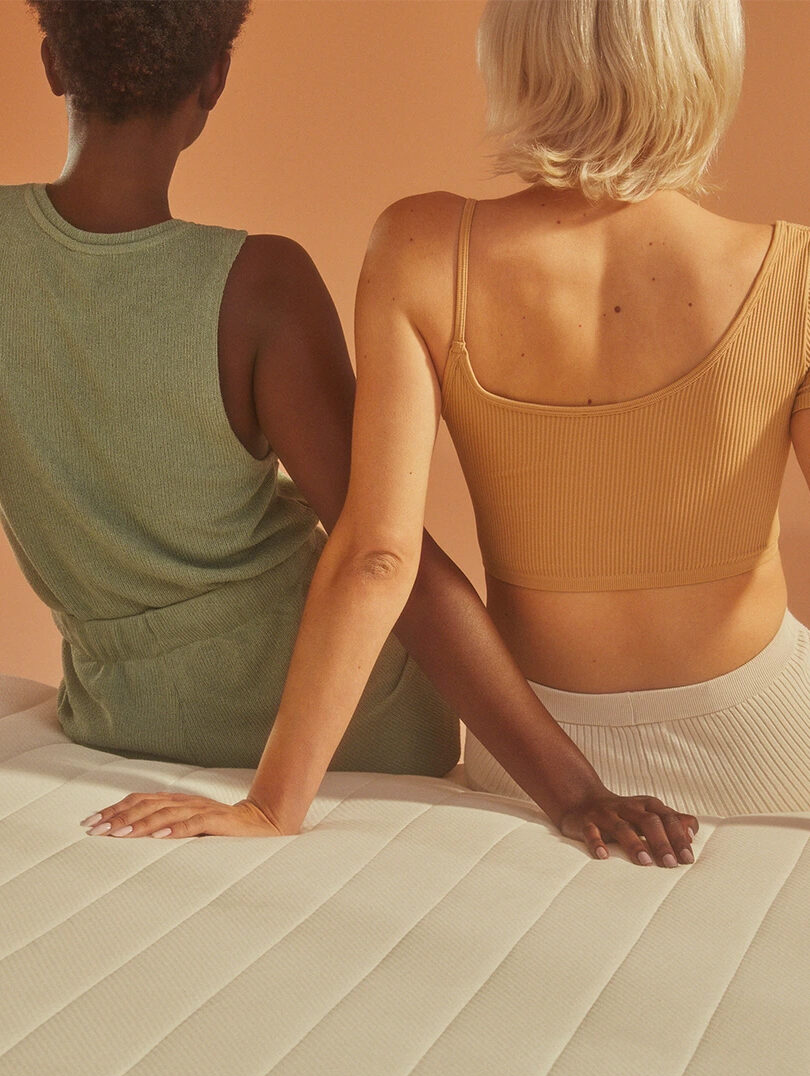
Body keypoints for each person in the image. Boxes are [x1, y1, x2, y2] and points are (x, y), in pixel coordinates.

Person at [0, 0, 697, 866]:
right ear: (213, 81)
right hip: (346, 728)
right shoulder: (261, 286)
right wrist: (574, 791)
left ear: (51, 65)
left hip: (118, 718)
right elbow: (383, 553)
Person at [160, 0, 809, 841]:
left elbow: (376, 555)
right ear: (709, 59)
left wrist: (272, 803)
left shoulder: (422, 249)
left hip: (534, 755)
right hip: (771, 739)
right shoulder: (796, 274)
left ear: (518, 55)